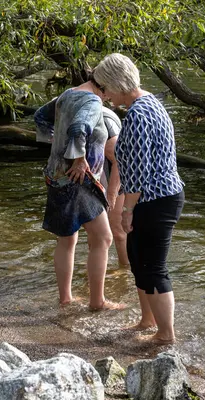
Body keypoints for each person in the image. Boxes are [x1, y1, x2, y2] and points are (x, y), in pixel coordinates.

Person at [92, 53, 185, 344]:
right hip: (157, 195)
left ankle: (165, 334)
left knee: (153, 266)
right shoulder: (149, 103)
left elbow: (140, 169)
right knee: (136, 257)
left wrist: (127, 209)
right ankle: (147, 321)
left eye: (106, 87)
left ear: (119, 83)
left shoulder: (139, 114)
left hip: (155, 199)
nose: (105, 94)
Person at [34, 79, 123, 311]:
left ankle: (66, 299)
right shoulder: (93, 101)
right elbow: (79, 128)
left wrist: (55, 142)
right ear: (105, 84)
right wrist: (79, 158)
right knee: (103, 238)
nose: (113, 96)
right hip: (80, 180)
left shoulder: (67, 94)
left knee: (67, 239)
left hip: (56, 176)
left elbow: (40, 116)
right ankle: (98, 302)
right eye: (113, 89)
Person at [100, 108, 129, 268]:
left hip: (118, 180)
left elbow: (120, 161)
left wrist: (111, 194)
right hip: (99, 180)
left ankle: (126, 269)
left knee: (118, 231)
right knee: (97, 234)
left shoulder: (104, 123)